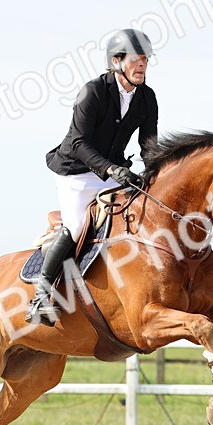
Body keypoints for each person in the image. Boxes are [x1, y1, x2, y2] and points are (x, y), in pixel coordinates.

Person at [27, 28, 159, 325]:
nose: (142, 65)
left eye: (146, 60)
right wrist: (112, 169)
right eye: (136, 59)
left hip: (113, 172)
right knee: (76, 227)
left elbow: (149, 146)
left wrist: (155, 176)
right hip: (76, 171)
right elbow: (77, 143)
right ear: (116, 61)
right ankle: (41, 296)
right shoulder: (94, 92)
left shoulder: (147, 98)